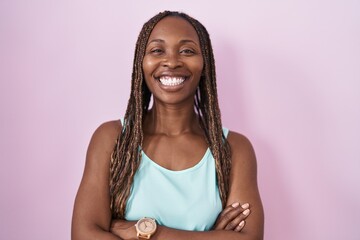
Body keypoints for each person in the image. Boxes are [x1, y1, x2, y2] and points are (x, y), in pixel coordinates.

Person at [71, 10, 264, 240]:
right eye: (157, 50)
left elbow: (249, 239)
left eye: (187, 51)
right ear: (141, 64)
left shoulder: (234, 149)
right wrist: (213, 236)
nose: (172, 62)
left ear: (204, 65)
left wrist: (147, 230)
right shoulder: (111, 138)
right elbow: (84, 235)